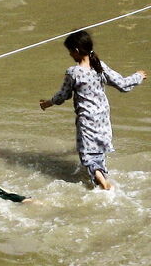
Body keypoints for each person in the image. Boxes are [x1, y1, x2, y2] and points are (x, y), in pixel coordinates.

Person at [40, 30, 147, 190]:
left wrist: (47, 103)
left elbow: (63, 95)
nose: (69, 54)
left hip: (86, 121)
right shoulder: (100, 66)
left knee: (87, 156)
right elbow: (123, 85)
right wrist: (137, 76)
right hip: (103, 120)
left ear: (76, 51)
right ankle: (103, 179)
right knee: (99, 154)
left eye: (70, 51)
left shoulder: (73, 72)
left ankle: (103, 183)